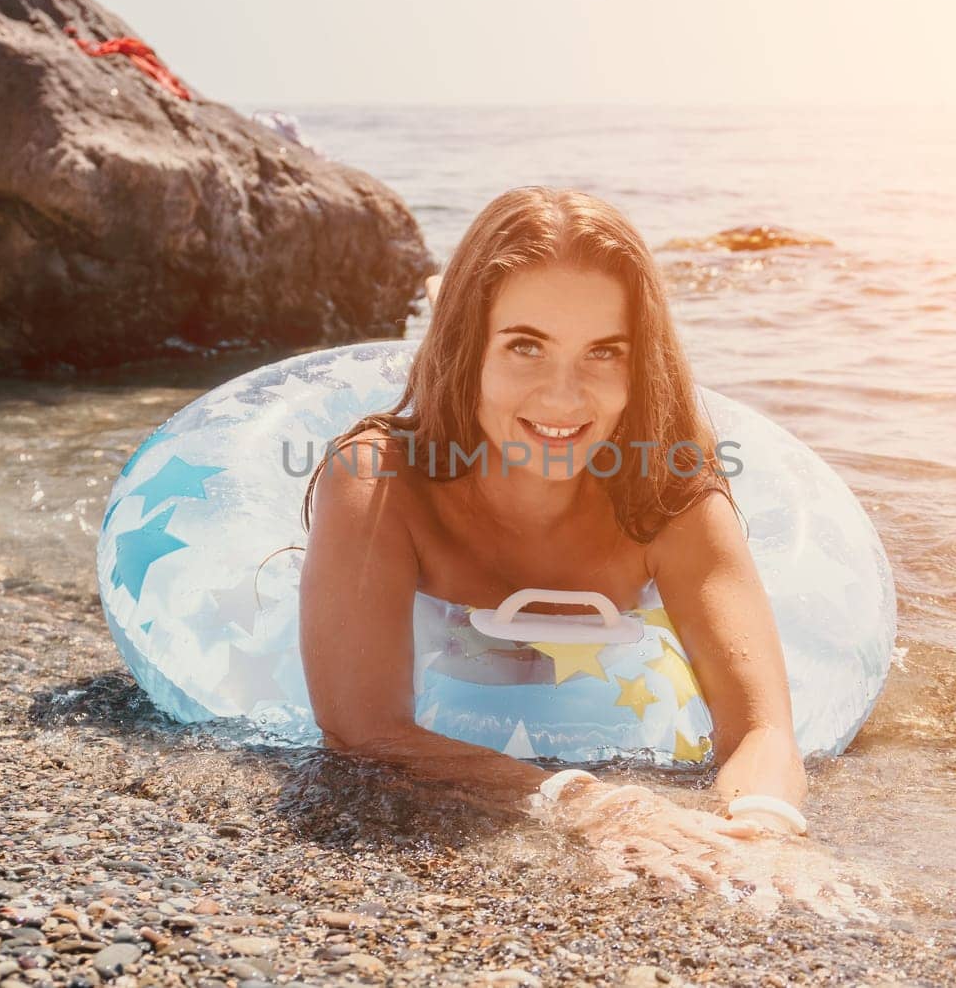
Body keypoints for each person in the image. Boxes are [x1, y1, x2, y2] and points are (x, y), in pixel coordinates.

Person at [296, 186, 808, 891]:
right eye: (525, 346)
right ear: (466, 347)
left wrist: (763, 835)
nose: (564, 399)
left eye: (604, 352)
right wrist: (589, 803)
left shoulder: (668, 490)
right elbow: (361, 728)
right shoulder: (379, 482)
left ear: (641, 366)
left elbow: (761, 730)